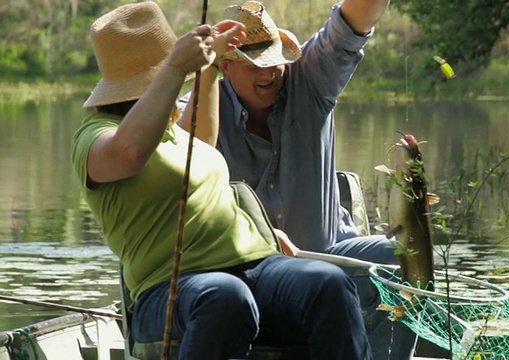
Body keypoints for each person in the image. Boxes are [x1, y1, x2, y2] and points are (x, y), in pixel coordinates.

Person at [70, 2, 372, 359]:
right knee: (225, 296)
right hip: (169, 291)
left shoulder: (172, 131)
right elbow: (129, 154)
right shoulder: (95, 136)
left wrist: (212, 67)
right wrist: (175, 67)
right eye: (173, 76)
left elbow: (202, 141)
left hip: (256, 266)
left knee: (329, 284)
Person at [178, 1, 418, 359]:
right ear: (225, 67)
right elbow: (182, 163)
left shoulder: (310, 80)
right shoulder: (200, 105)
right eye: (254, 63)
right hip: (246, 274)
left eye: (276, 58)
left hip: (330, 257)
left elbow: (352, 24)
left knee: (403, 254)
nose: (271, 70)